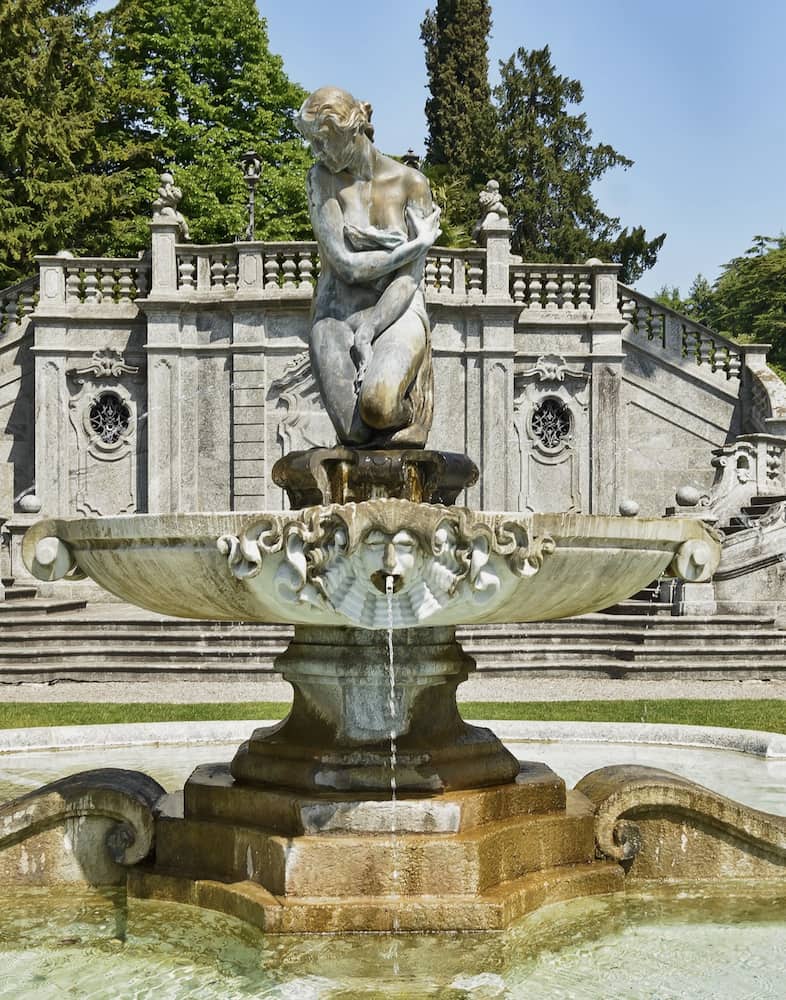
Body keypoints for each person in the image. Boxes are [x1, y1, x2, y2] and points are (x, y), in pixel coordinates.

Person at [295, 86, 441, 447]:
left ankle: (410, 413)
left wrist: (370, 328)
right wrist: (414, 246)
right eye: (313, 142)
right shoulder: (321, 179)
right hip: (335, 313)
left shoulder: (411, 184)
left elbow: (408, 280)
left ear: (353, 130)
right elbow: (346, 267)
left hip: (397, 311)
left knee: (378, 407)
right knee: (355, 432)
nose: (318, 152)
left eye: (324, 141)